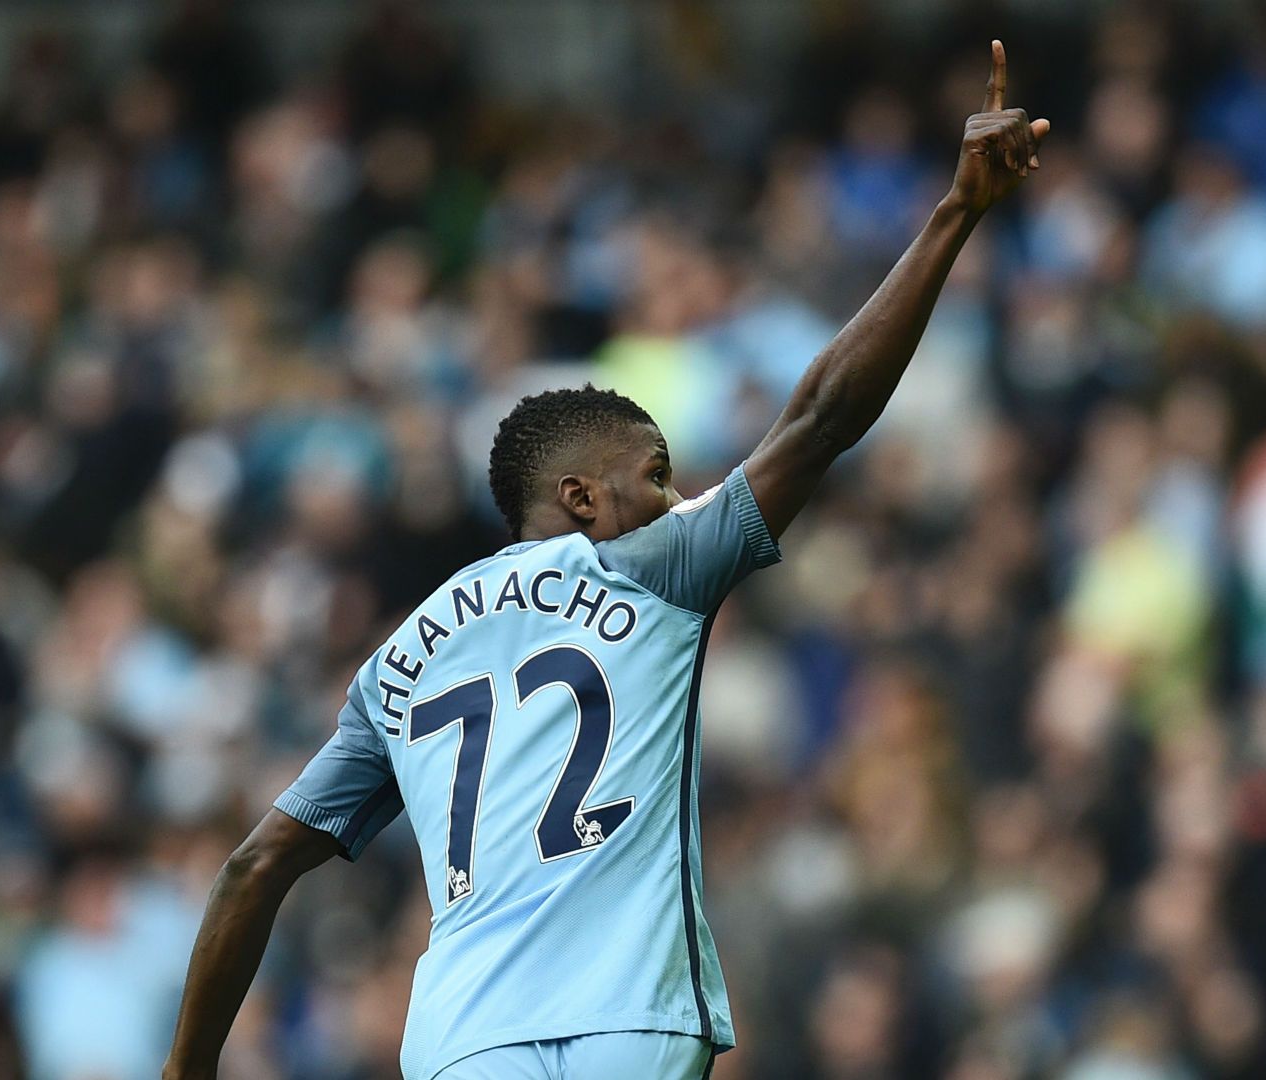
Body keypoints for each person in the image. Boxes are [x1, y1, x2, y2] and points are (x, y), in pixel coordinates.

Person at [161, 40, 1049, 1080]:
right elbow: (820, 417)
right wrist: (955, 215)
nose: (676, 497)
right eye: (656, 475)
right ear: (583, 499)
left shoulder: (398, 661)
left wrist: (185, 1071)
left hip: (463, 1040)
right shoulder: (654, 567)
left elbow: (255, 866)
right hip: (629, 1009)